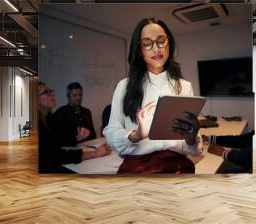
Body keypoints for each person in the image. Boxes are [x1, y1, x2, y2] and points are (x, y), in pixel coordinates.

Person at [103, 18, 203, 174]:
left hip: (178, 166)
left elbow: (192, 149)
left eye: (161, 41)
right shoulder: (124, 86)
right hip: (139, 167)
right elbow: (111, 132)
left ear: (169, 43)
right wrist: (135, 135)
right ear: (139, 50)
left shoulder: (184, 86)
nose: (156, 49)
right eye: (147, 43)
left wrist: (191, 138)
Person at [38, 82, 111, 173]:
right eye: (46, 92)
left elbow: (59, 142)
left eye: (80, 95)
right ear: (68, 97)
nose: (78, 98)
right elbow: (56, 154)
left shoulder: (50, 119)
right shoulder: (59, 114)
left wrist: (77, 138)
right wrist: (95, 153)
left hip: (79, 153)